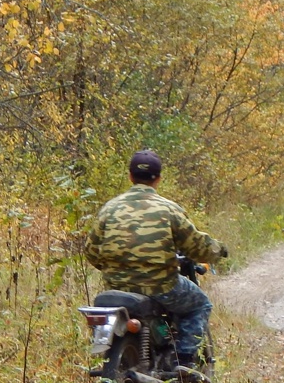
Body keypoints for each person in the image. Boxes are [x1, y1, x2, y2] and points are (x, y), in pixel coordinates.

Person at [83, 149, 228, 371]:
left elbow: (91, 252)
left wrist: (116, 270)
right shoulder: (169, 209)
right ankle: (184, 361)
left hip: (117, 288)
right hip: (161, 286)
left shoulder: (109, 209)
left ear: (130, 176)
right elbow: (196, 246)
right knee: (200, 305)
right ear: (158, 179)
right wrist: (217, 251)